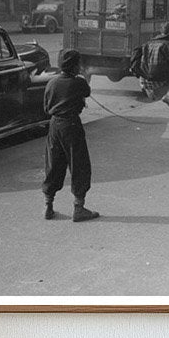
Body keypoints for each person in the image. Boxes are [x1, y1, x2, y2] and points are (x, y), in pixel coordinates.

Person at [42, 49, 98, 222]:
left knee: (54, 164)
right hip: (71, 125)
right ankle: (79, 208)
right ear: (75, 66)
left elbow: (46, 108)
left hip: (54, 126)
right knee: (79, 164)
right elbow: (86, 92)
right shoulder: (78, 83)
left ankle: (48, 206)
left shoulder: (52, 83)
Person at [139, 21, 169, 108]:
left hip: (144, 78)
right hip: (158, 78)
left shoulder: (149, 42)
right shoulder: (168, 44)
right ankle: (168, 96)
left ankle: (149, 90)